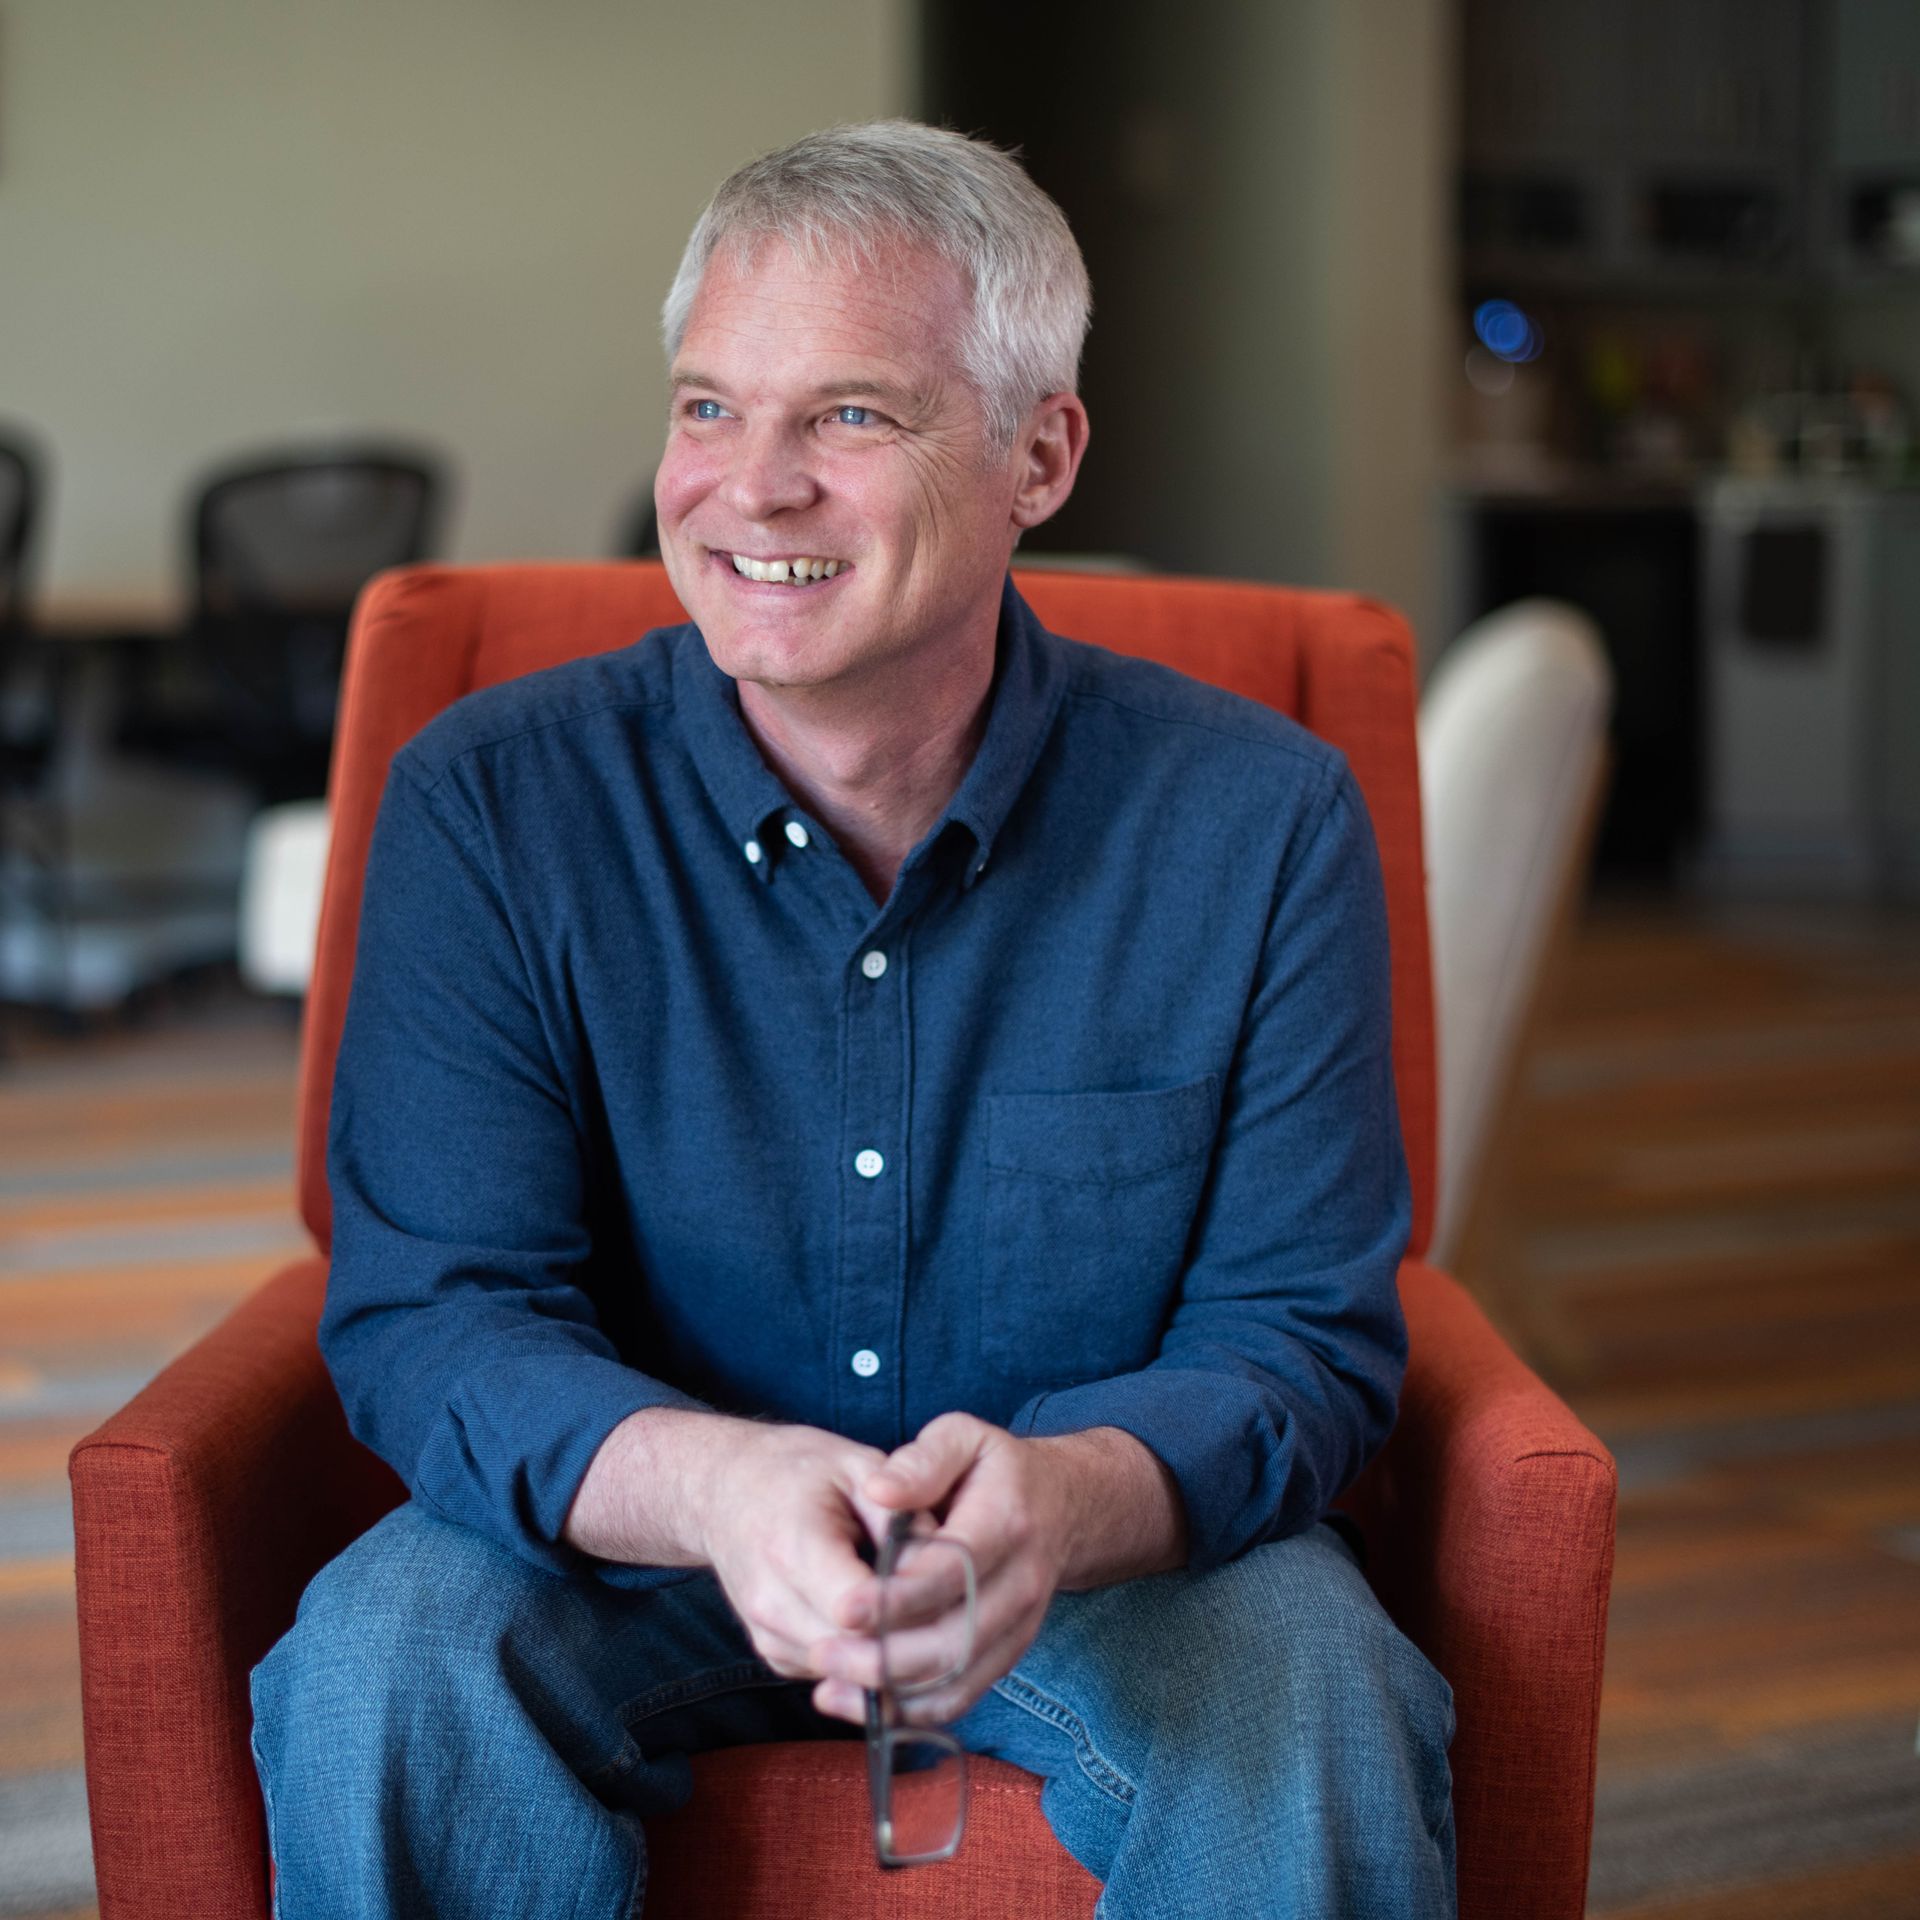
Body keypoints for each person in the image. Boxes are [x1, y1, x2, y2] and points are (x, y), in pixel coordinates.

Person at [250, 120, 1456, 1918]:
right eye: (709, 408)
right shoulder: (493, 806)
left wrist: (1066, 1499)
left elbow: (1299, 1338)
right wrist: (721, 1491)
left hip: (1105, 1567)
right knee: (391, 1645)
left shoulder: (1258, 819)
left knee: (1316, 1673)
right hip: (633, 1553)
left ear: (1040, 452)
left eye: (852, 416)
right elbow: (437, 1313)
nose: (751, 488)